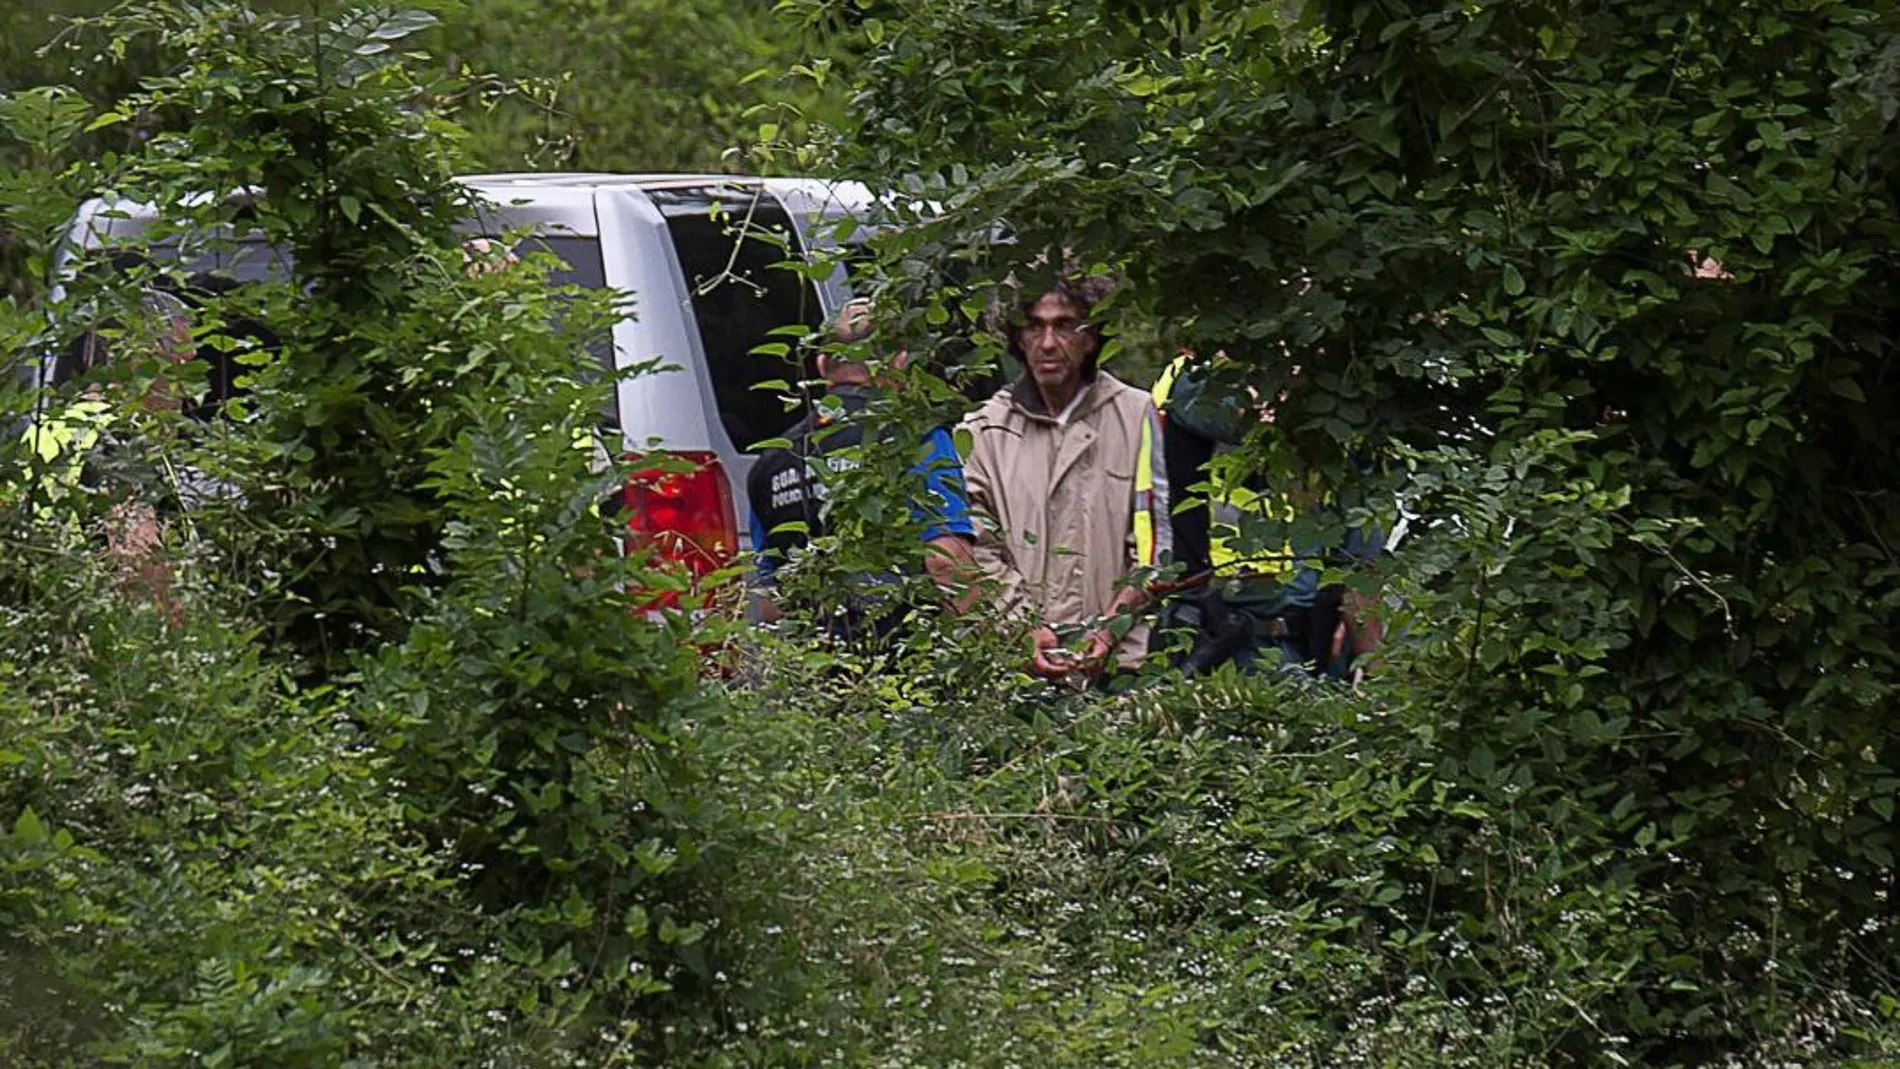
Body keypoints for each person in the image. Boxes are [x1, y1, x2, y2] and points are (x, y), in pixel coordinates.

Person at [958, 272, 1169, 679]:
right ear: (1018, 339)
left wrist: (1110, 631)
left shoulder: (1139, 415)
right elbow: (977, 548)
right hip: (1016, 671)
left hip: (1123, 669)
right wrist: (1020, 627)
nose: (1049, 343)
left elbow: (1156, 544)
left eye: (1065, 325)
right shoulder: (982, 430)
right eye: (1034, 327)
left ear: (1091, 337)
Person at [745, 300, 978, 645]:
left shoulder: (771, 462)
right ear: (898, 361)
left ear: (822, 365)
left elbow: (770, 598)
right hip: (904, 669)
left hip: (814, 673)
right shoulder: (917, 439)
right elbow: (945, 561)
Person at [1151, 350, 1386, 677]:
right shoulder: (1198, 381)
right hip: (1216, 633)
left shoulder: (1346, 396)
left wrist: (1378, 682)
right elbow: (1230, 417)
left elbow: (1360, 568)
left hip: (1306, 644)